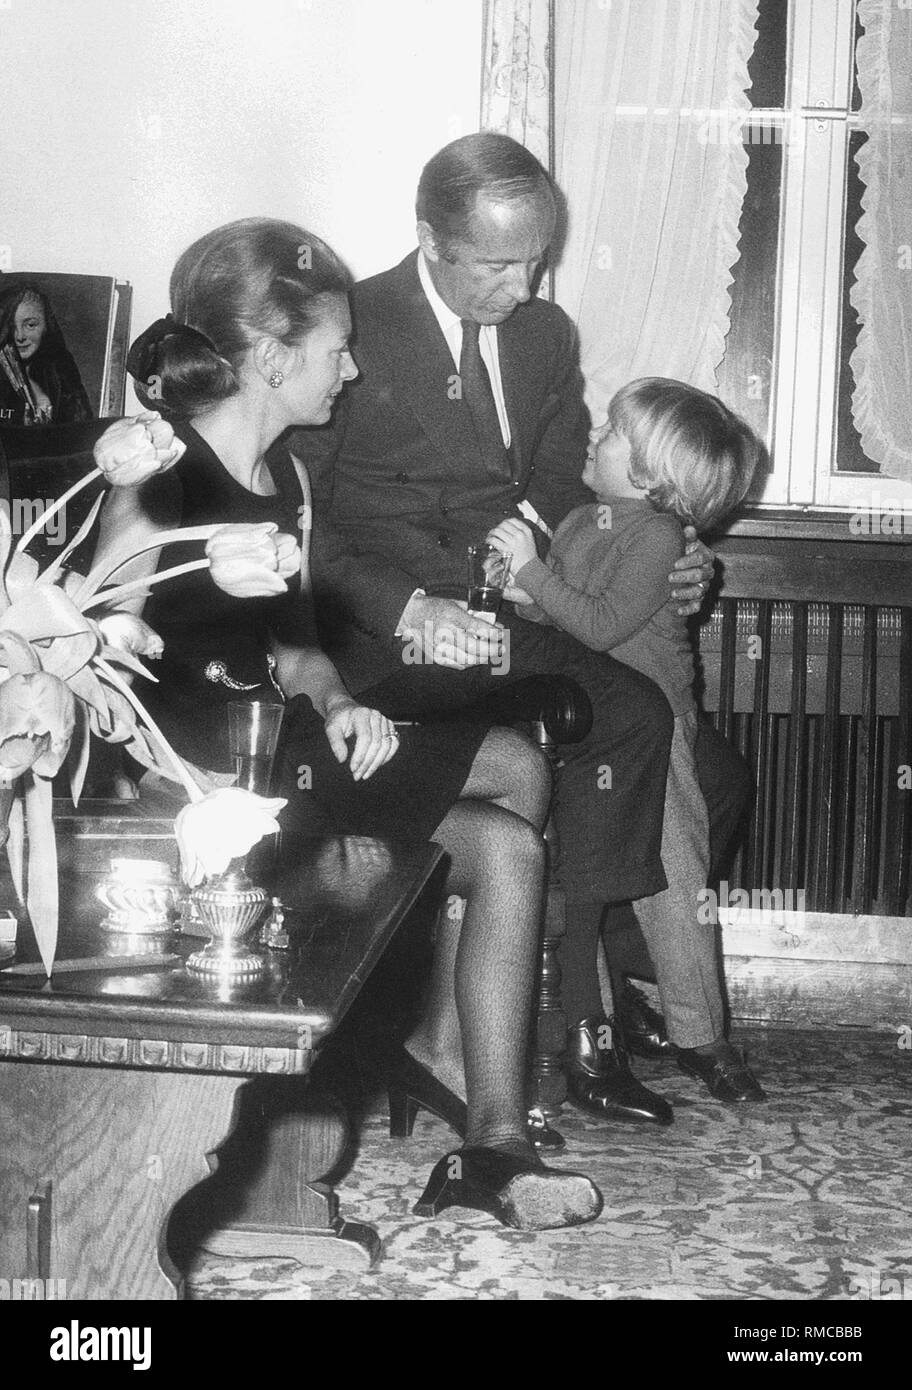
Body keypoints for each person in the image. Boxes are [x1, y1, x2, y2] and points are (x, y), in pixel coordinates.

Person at [90, 216, 602, 1232]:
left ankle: (490, 1145)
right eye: (336, 349)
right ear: (274, 360)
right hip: (192, 800)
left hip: (285, 763)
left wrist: (339, 701)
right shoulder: (158, 472)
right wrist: (175, 784)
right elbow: (98, 662)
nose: (355, 368)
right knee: (501, 804)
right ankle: (422, 1047)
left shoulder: (285, 478)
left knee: (503, 822)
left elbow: (294, 648)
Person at [278, 132, 738, 1129]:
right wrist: (409, 608)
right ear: (431, 240)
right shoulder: (351, 328)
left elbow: (575, 484)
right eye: (496, 263)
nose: (521, 285)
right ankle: (551, 1020)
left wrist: (663, 555)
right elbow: (306, 525)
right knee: (572, 751)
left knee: (638, 720)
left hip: (511, 611)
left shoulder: (545, 336)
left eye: (533, 259)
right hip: (385, 635)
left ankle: (585, 1014)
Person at [487, 378, 767, 1102]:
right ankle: (597, 1034)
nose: (596, 435)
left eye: (613, 432)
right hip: (593, 719)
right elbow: (567, 614)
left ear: (651, 474)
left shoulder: (658, 534)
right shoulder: (587, 518)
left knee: (674, 876)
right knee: (591, 867)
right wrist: (522, 590)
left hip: (657, 728)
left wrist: (531, 571)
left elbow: (604, 624)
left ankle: (702, 1034)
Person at [0, 283, 93, 426]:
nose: (20, 336)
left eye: (30, 325)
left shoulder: (61, 372)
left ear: (46, 326)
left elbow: (81, 433)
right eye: (11, 327)